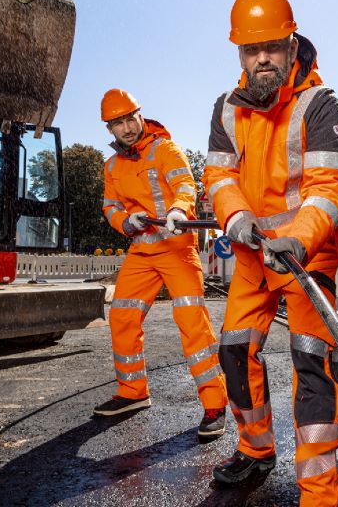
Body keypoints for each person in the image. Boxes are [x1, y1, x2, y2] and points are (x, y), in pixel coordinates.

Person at [202, 0, 338, 505]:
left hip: (307, 255)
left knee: (312, 361)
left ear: (292, 46)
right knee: (234, 352)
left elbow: (328, 189)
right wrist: (237, 217)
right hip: (251, 255)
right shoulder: (226, 110)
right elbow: (219, 178)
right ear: (240, 54)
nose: (261, 57)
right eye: (250, 48)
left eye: (271, 45)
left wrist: (297, 238)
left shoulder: (320, 105)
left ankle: (318, 491)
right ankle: (255, 449)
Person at [97, 88, 228, 439]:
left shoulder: (165, 149)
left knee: (191, 321)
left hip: (176, 247)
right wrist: (127, 221)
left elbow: (184, 184)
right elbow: (110, 206)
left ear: (140, 116)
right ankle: (132, 393)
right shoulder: (111, 166)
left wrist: (176, 210)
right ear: (109, 129)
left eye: (129, 119)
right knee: (122, 315)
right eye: (117, 124)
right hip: (142, 250)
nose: (125, 128)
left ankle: (215, 404)